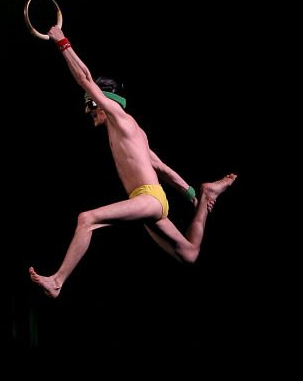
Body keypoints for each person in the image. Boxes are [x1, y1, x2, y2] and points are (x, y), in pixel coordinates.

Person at [29, 25, 237, 298]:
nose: (87, 111)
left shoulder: (118, 115)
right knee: (189, 254)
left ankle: (57, 281)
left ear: (101, 101)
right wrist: (191, 195)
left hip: (149, 200)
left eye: (89, 105)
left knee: (87, 219)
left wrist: (62, 43)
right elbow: (161, 168)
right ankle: (208, 191)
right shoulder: (132, 132)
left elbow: (85, 78)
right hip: (150, 200)